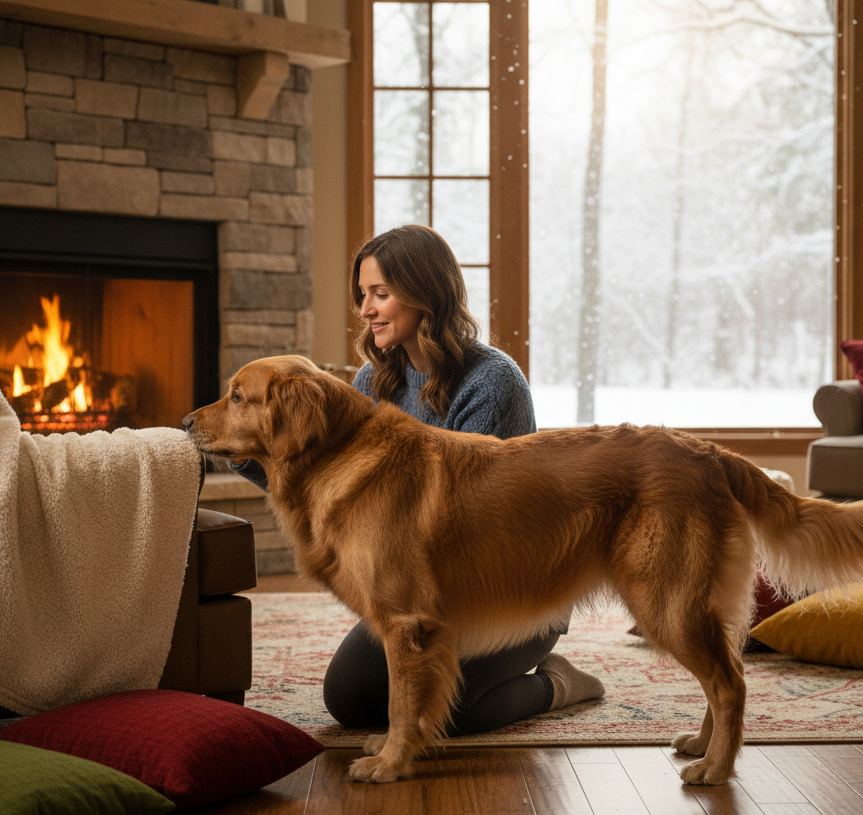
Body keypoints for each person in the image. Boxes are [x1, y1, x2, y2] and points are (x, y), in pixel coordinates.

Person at [233, 224, 605, 735]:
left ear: (425, 293)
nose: (366, 310)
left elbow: (467, 521)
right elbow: (330, 488)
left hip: (512, 593)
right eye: (362, 295)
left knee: (447, 712)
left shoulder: (493, 382)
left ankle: (556, 684)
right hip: (421, 593)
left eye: (380, 294)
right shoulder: (372, 379)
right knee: (349, 699)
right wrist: (251, 450)